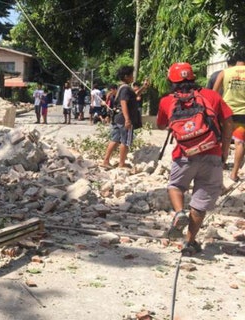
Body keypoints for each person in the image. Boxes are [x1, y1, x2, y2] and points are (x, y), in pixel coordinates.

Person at [157, 62, 233, 256]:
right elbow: (228, 121)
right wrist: (225, 151)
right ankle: (189, 243)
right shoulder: (212, 96)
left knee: (175, 186)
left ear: (171, 81)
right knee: (200, 202)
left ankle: (179, 212)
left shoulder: (167, 101)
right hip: (212, 152)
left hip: (184, 155)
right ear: (192, 77)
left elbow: (161, 125)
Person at [213, 53, 245, 182]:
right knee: (240, 142)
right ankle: (234, 174)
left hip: (226, 112)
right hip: (243, 113)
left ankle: (221, 166)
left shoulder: (225, 72)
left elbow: (214, 94)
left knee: (225, 140)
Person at [101, 66, 141, 169]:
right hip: (124, 119)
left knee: (114, 139)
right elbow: (124, 103)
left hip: (117, 118)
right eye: (131, 75)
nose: (133, 77)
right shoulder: (126, 89)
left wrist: (143, 88)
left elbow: (133, 95)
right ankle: (121, 163)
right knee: (125, 141)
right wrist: (127, 119)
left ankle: (106, 161)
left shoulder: (121, 88)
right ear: (126, 76)